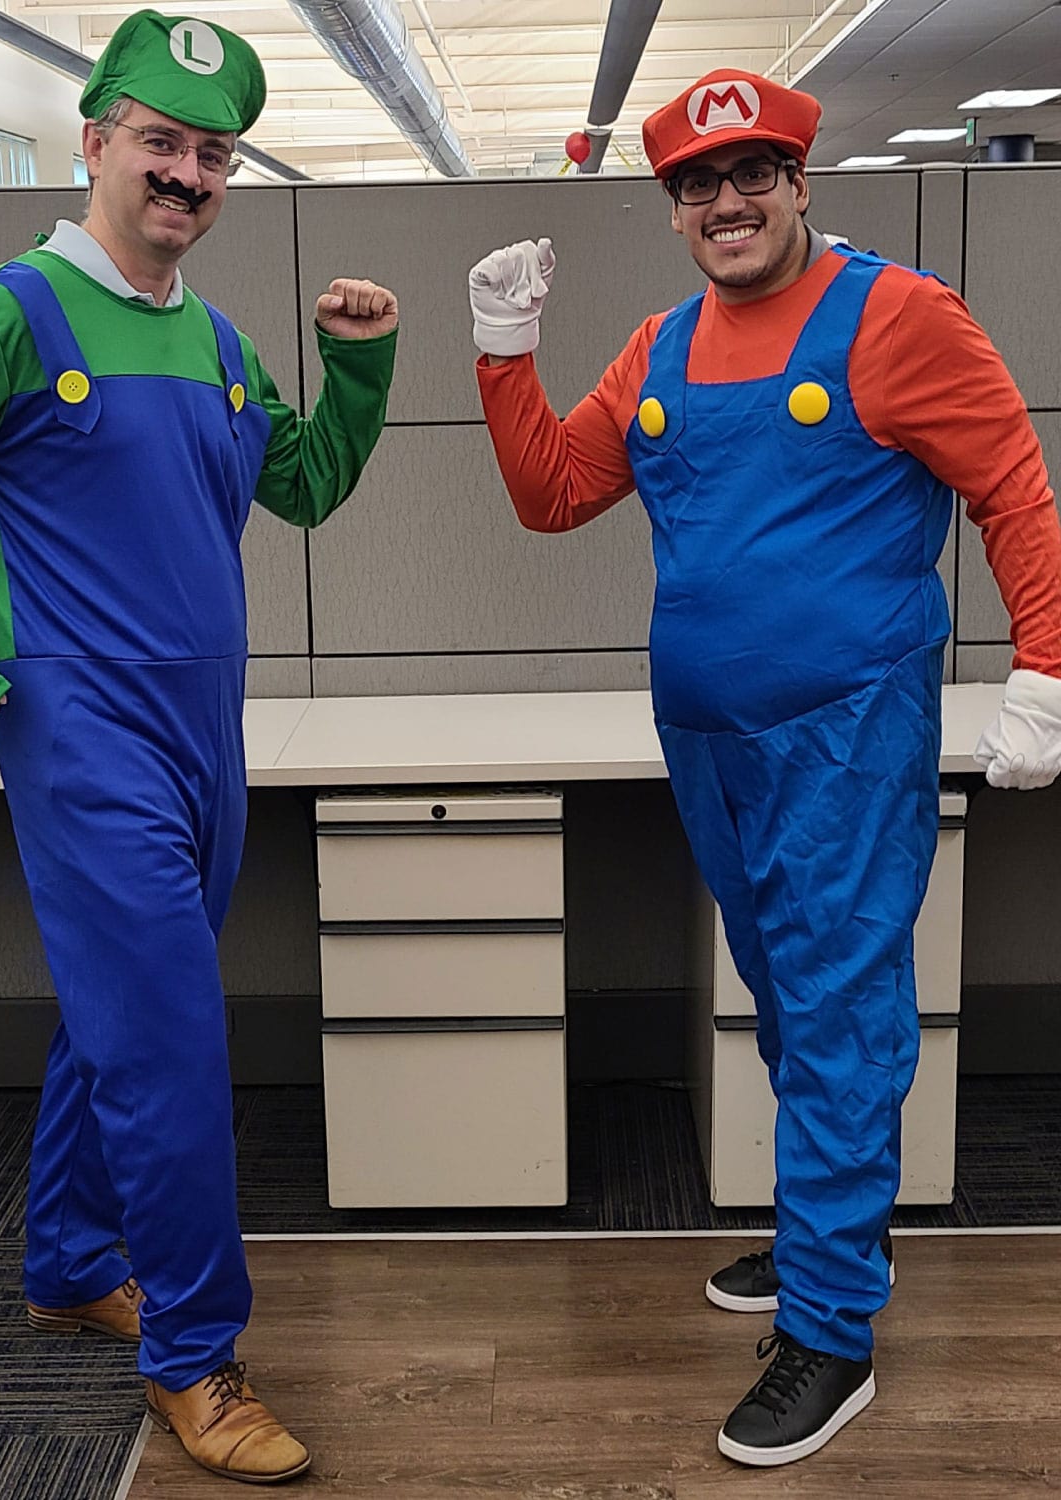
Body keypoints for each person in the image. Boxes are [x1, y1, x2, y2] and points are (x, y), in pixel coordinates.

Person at [468, 68, 1061, 1467]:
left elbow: (1013, 485)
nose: (726, 203)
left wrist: (1046, 667)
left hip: (848, 734)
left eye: (752, 176)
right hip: (711, 742)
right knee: (794, 1002)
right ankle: (818, 1243)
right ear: (675, 206)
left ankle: (835, 1333)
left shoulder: (899, 316)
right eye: (697, 184)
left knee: (844, 1011)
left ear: (800, 181)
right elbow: (555, 495)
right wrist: (503, 349)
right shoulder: (663, 347)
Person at [0, 9, 397, 1485]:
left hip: (201, 732)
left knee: (123, 1016)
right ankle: (193, 1360)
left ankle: (67, 1259)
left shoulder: (214, 335)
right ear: (92, 140)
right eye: (161, 143)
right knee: (170, 1046)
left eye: (212, 154)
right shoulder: (6, 316)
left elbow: (300, 487)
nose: (187, 175)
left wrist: (355, 367)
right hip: (83, 731)